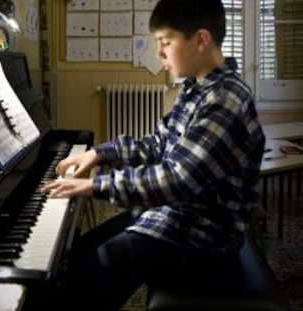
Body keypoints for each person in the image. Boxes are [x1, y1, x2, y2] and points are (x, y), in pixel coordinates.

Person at [42, 0, 265, 309]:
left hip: (207, 238)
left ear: (200, 40)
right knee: (77, 254)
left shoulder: (225, 98)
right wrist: (99, 154)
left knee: (99, 265)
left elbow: (177, 179)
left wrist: (96, 186)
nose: (159, 54)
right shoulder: (194, 88)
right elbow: (158, 144)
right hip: (182, 214)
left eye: (166, 43)